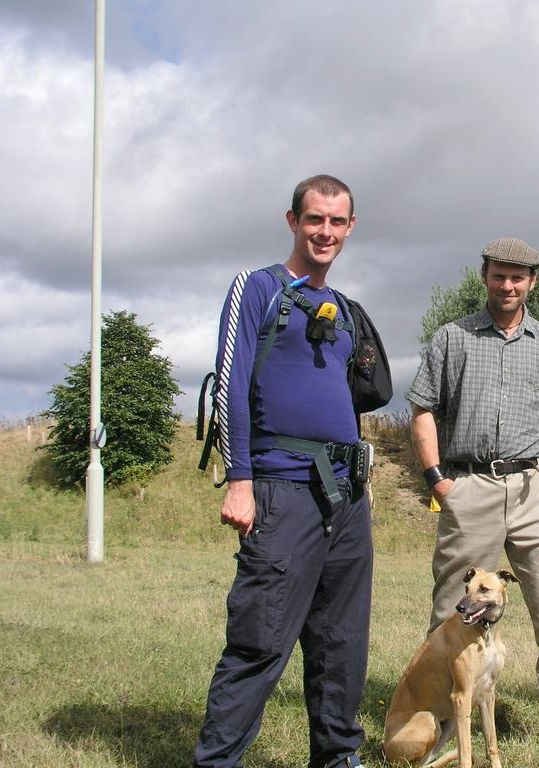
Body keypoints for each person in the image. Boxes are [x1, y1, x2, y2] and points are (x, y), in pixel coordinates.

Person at [406, 237, 539, 768]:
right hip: (469, 485)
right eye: (500, 275)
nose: (508, 285)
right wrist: (437, 481)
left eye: (518, 277)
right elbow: (423, 408)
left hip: (538, 486)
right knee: (452, 611)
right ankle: (441, 723)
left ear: (533, 282)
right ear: (485, 275)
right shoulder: (451, 338)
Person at [194, 175, 372, 768]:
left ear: (350, 227)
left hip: (347, 497)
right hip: (280, 488)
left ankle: (338, 756)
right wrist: (240, 479)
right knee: (261, 637)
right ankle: (218, 761)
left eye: (337, 222)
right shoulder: (258, 287)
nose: (326, 231)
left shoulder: (344, 310)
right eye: (315, 219)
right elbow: (230, 387)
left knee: (341, 641)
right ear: (293, 220)